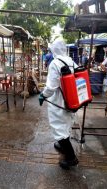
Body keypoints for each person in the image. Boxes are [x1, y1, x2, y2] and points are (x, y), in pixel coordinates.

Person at [39, 39, 79, 170]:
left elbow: (51, 87)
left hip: (59, 102)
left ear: (54, 50)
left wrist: (43, 95)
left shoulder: (55, 63)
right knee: (66, 124)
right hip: (71, 100)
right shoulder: (71, 61)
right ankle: (63, 146)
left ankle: (71, 158)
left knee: (58, 128)